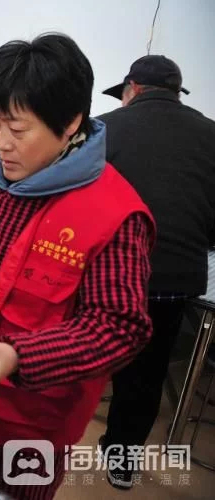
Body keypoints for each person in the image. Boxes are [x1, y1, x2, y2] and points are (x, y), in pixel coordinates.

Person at [0, 34, 154, 499]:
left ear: (71, 122)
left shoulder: (115, 214)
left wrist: (20, 356)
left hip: (28, 420)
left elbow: (119, 327)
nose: (1, 144)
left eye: (17, 130)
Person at [97, 55, 215, 490]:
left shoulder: (105, 127)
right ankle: (122, 462)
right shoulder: (210, 132)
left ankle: (51, 447)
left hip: (109, 273)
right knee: (147, 372)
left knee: (88, 352)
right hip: (174, 278)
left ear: (132, 88)